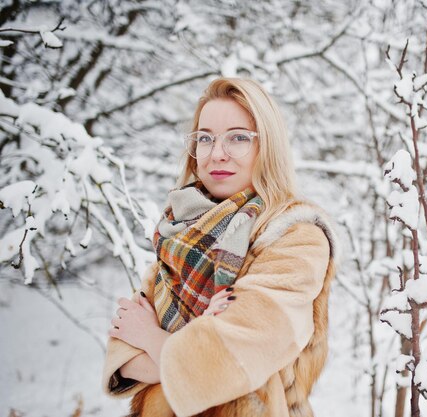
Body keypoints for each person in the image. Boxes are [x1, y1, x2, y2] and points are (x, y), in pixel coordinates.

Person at [102, 78, 339, 417]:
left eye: (238, 137)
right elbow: (121, 354)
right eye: (205, 138)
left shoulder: (295, 238)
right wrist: (193, 347)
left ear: (267, 147)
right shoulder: (180, 234)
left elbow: (235, 358)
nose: (217, 153)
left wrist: (151, 339)